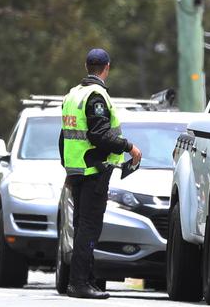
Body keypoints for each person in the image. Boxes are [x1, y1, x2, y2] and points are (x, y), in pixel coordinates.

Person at [58, 48, 142, 299]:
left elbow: (63, 137)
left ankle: (86, 280)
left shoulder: (72, 95)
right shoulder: (96, 96)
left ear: (86, 66)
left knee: (81, 226)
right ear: (107, 67)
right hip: (93, 170)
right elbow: (99, 134)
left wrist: (67, 167)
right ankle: (80, 283)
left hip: (76, 170)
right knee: (89, 228)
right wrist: (129, 147)